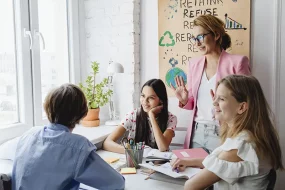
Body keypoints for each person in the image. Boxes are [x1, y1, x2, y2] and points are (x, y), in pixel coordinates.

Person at [171, 75, 284, 190]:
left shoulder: (240, 147)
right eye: (215, 97)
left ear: (241, 107)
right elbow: (219, 161)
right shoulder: (252, 136)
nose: (214, 103)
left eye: (221, 99)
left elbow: (190, 186)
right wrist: (189, 161)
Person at [12, 84, 125, 190]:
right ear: (83, 113)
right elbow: (117, 183)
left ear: (47, 108)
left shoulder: (29, 134)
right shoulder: (77, 147)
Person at [171, 14, 251, 151]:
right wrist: (185, 101)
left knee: (218, 171)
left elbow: (248, 102)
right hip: (196, 132)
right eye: (194, 38)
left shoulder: (237, 63)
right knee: (193, 172)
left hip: (224, 131)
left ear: (217, 35)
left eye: (201, 37)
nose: (197, 43)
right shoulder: (193, 64)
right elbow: (193, 103)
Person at [103, 79, 177, 153]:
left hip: (160, 163)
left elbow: (163, 147)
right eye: (143, 96)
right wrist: (133, 152)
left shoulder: (171, 118)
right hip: (136, 160)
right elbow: (107, 143)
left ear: (161, 100)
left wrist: (151, 116)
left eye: (151, 98)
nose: (145, 101)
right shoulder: (133, 115)